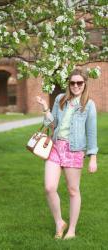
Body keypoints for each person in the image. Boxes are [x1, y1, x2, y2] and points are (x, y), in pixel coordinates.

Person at [36, 67, 98, 240]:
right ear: (69, 84)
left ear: (85, 84)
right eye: (73, 83)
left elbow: (91, 133)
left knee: (73, 190)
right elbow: (53, 124)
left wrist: (92, 157)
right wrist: (45, 109)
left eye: (79, 83)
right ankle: (59, 222)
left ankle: (71, 230)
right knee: (49, 187)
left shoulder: (89, 105)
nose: (76, 86)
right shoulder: (60, 99)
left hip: (74, 149)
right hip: (56, 147)